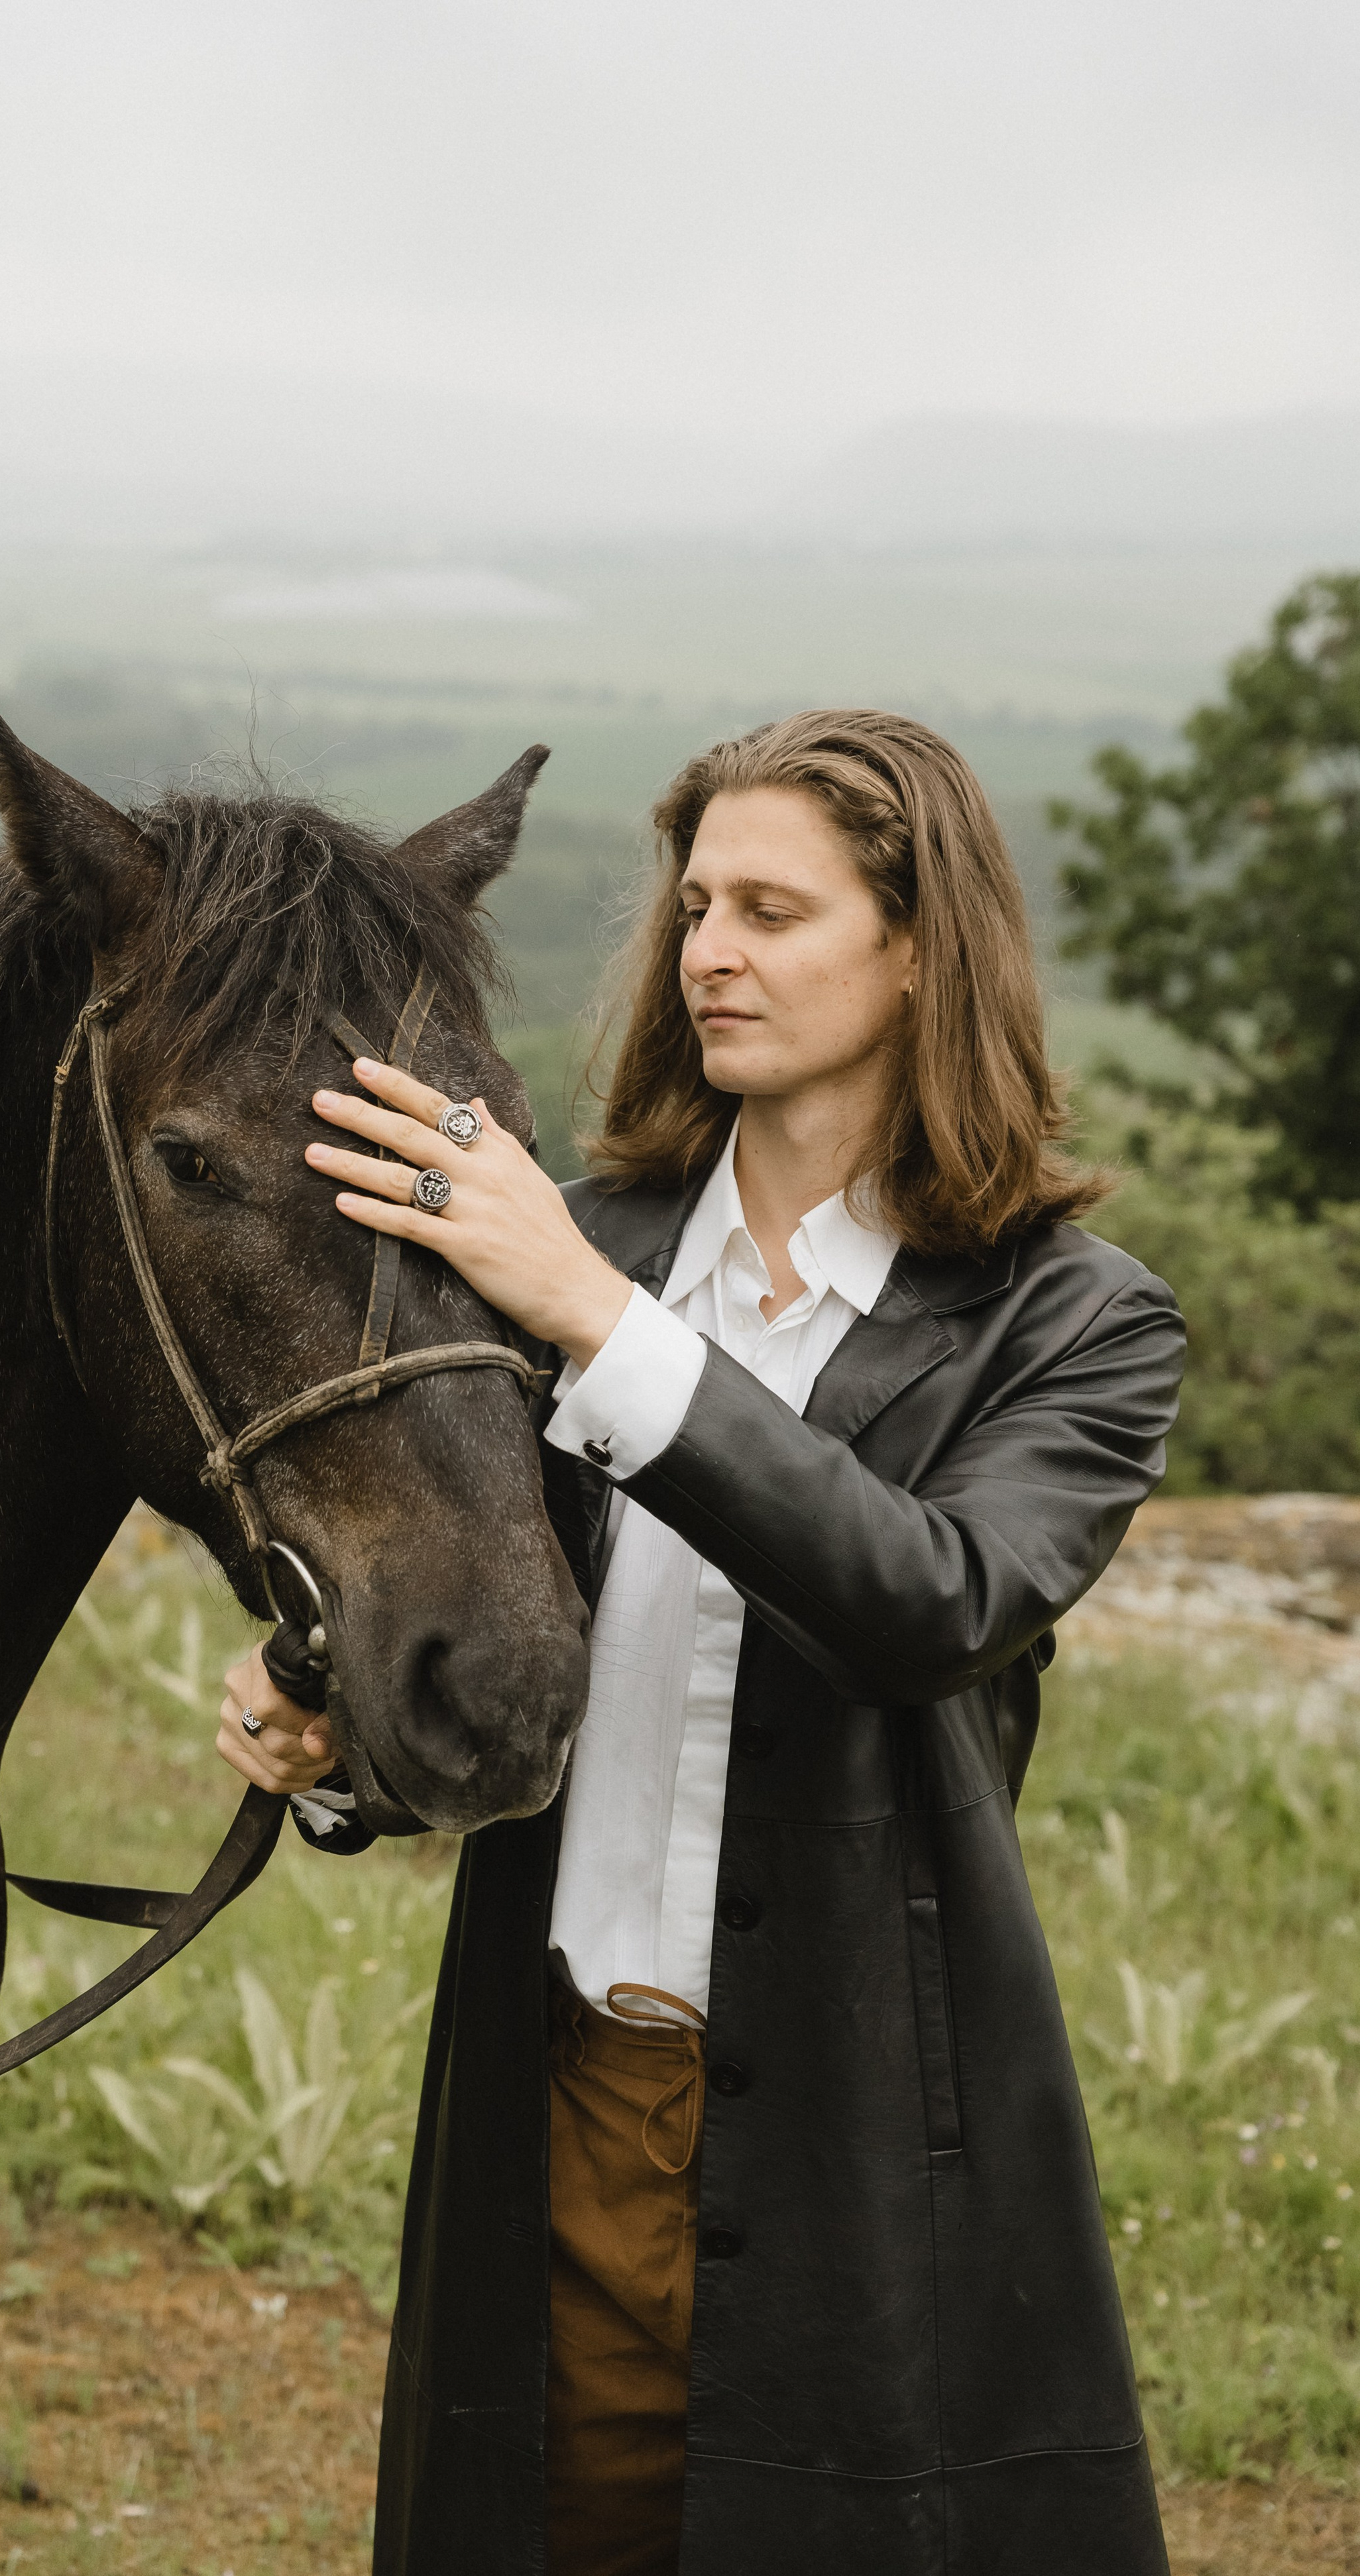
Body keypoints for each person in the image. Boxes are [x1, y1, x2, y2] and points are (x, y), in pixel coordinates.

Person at [216, 708, 1184, 2576]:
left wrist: (596, 1319)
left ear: (921, 952)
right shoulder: (573, 1249)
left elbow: (930, 1605)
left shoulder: (1074, 1326)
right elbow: (500, 1657)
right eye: (696, 905)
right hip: (566, 2093)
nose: (707, 950)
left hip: (878, 2141)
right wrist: (336, 1737)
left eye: (772, 911)